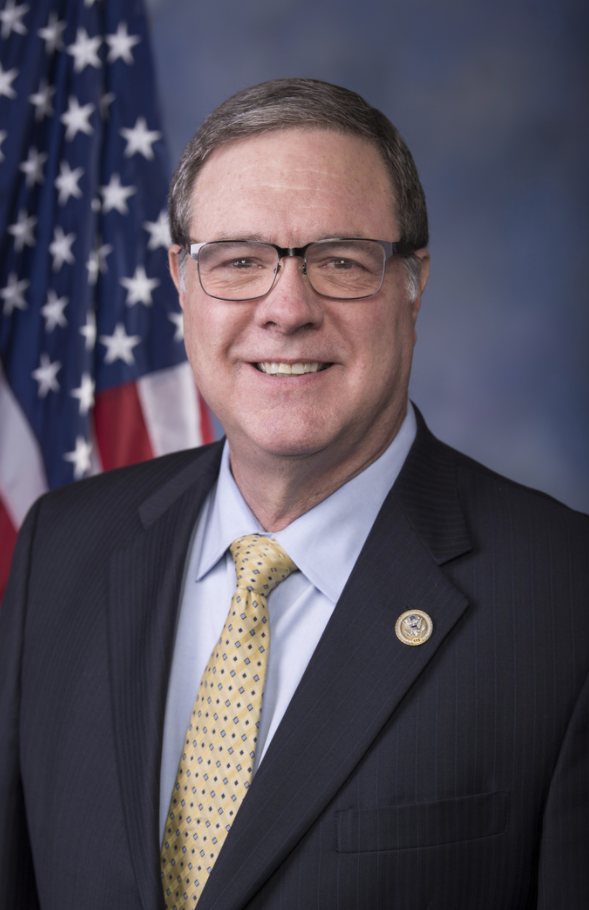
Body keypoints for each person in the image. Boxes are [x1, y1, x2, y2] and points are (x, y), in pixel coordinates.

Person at [0, 78, 587, 910]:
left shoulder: (565, 597)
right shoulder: (62, 545)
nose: (285, 308)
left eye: (339, 262)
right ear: (180, 281)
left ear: (412, 283)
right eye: (237, 261)